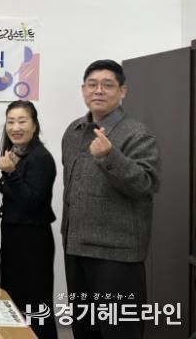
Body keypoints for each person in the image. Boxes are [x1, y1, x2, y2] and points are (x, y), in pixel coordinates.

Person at [62, 59, 161, 339]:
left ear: (122, 91)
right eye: (92, 84)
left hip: (117, 255)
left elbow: (147, 183)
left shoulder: (137, 133)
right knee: (84, 330)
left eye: (107, 85)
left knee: (120, 332)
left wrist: (110, 156)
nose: (98, 90)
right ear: (83, 90)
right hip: (77, 248)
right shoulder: (73, 131)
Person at [0, 100, 58, 339]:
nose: (15, 127)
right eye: (10, 122)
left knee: (35, 303)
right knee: (14, 301)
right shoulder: (15, 153)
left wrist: (10, 173)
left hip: (33, 240)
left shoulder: (40, 157)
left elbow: (31, 200)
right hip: (14, 237)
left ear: (34, 125)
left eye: (22, 121)